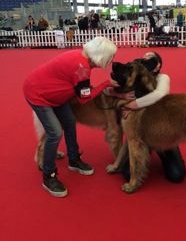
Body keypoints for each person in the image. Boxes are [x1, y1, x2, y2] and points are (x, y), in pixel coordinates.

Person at [23, 37, 118, 198]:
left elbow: (79, 86)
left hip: (55, 94)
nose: (110, 61)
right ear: (101, 56)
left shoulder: (80, 56)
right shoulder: (81, 66)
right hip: (39, 95)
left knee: (69, 121)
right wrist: (105, 84)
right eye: (110, 57)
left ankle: (73, 159)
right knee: (55, 133)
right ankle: (49, 176)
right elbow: (84, 97)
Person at [116, 51, 186, 183]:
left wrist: (133, 104)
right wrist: (122, 97)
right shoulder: (134, 77)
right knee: (127, 174)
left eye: (149, 58)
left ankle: (168, 153)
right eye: (143, 59)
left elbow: (159, 94)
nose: (145, 60)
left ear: (157, 65)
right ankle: (142, 156)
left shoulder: (163, 78)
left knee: (177, 175)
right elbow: (112, 87)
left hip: (163, 132)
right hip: (142, 132)